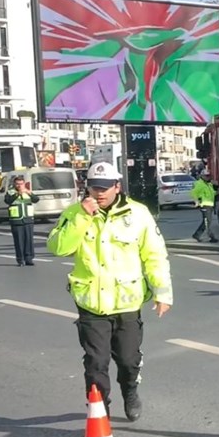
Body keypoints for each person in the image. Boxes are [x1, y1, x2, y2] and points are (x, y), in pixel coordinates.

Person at [46, 162, 172, 421]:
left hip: (127, 302)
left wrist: (162, 293)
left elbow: (155, 255)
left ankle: (131, 391)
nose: (99, 193)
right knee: (95, 363)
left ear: (118, 186)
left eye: (105, 188)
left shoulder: (138, 214)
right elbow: (58, 248)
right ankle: (99, 408)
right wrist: (82, 218)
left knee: (128, 360)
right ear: (87, 188)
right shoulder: (75, 213)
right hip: (91, 303)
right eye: (94, 188)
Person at [5, 175, 40, 266]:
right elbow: (8, 201)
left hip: (28, 219)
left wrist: (29, 193)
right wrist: (17, 194)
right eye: (17, 184)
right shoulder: (10, 192)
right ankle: (20, 259)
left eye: (21, 184)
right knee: (19, 241)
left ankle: (29, 258)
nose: (19, 186)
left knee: (29, 240)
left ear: (24, 183)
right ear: (14, 184)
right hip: (17, 220)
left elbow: (36, 200)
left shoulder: (27, 192)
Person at [191, 170, 219, 243]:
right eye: (206, 176)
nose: (208, 177)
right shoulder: (199, 184)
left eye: (209, 175)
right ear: (202, 176)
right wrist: (196, 202)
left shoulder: (208, 184)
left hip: (209, 205)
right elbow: (193, 193)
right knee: (207, 221)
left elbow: (212, 193)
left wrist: (217, 190)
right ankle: (211, 237)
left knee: (206, 221)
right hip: (204, 205)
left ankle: (197, 235)